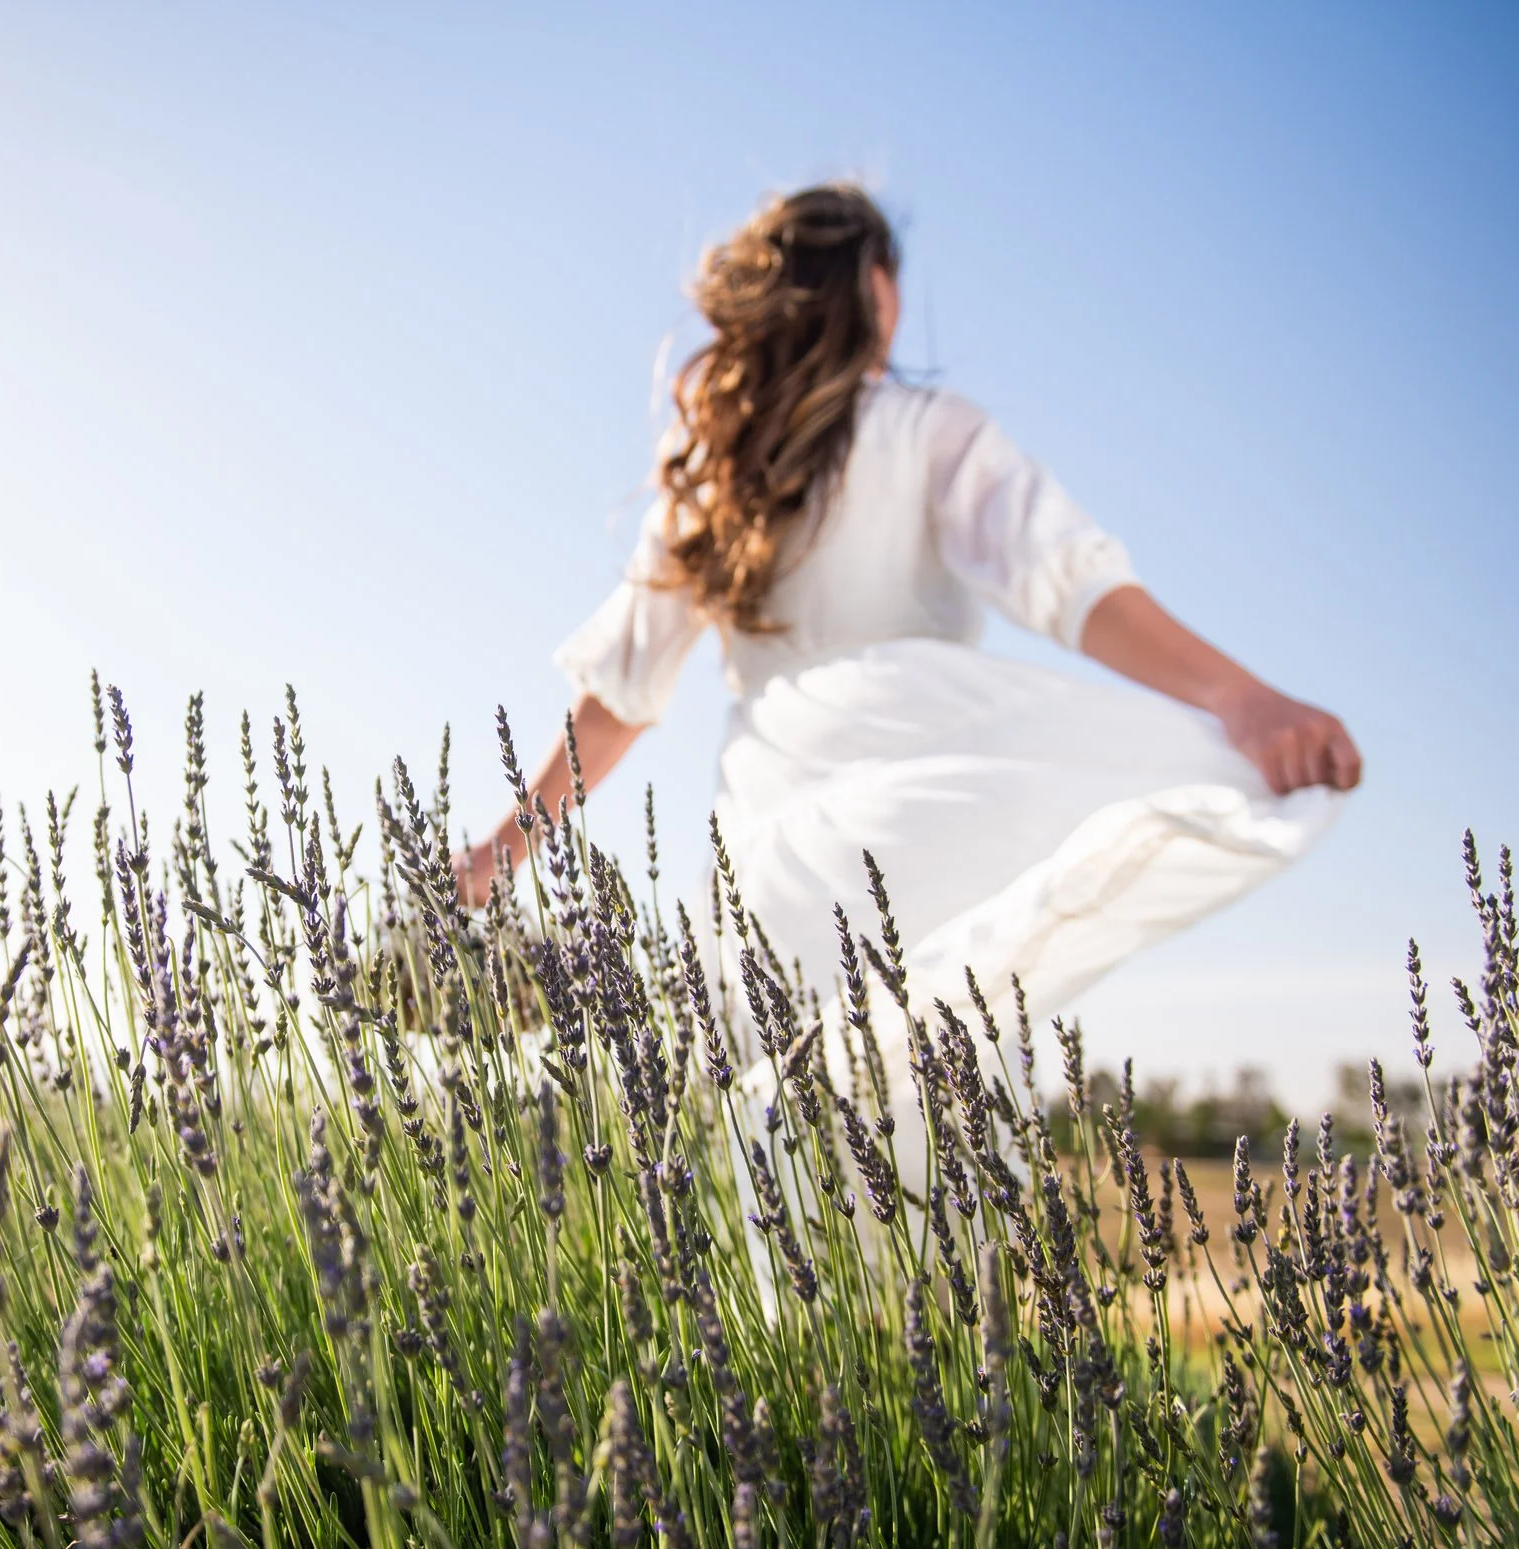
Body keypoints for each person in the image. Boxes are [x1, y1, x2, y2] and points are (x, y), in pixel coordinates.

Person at [456, 182, 1359, 1039]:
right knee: (934, 1095)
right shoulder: (930, 430)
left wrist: (499, 853)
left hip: (765, 828)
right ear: (871, 291)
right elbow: (1070, 584)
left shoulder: (722, 472)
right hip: (920, 778)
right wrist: (1241, 698)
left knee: (779, 1135)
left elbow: (616, 700)